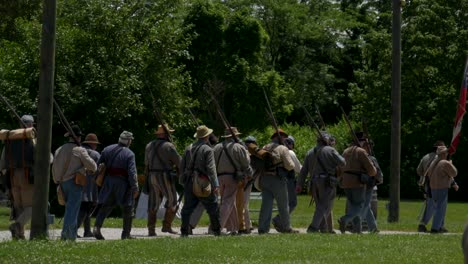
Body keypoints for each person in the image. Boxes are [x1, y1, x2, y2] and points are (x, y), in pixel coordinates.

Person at [52, 125, 97, 241]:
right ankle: (68, 236)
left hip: (61, 183)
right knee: (72, 210)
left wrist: (57, 181)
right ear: (78, 137)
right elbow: (93, 166)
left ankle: (67, 235)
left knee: (69, 209)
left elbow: (54, 168)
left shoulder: (59, 149)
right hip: (74, 183)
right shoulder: (80, 150)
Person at [93, 131, 139, 240]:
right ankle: (126, 234)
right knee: (128, 208)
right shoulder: (130, 154)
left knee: (105, 207)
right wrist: (135, 187)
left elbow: (98, 165)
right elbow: (132, 173)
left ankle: (96, 227)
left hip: (108, 182)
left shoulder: (107, 149)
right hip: (122, 183)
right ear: (128, 141)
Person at [296, 132, 345, 233]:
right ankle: (313, 227)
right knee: (325, 206)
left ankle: (323, 229)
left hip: (313, 182)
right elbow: (343, 162)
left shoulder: (310, 152)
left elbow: (303, 171)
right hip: (327, 181)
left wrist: (299, 184)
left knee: (320, 206)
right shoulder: (330, 150)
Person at [179, 125, 221, 237]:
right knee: (213, 207)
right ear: (207, 136)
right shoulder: (208, 149)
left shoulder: (188, 148)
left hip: (189, 181)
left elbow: (181, 166)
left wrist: (183, 181)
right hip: (203, 182)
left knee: (187, 208)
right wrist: (215, 184)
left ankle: (184, 231)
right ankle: (216, 230)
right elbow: (211, 168)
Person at [0, 115, 36, 239]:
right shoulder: (31, 139)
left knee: (19, 206)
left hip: (12, 176)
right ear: (30, 125)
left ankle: (19, 235)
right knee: (33, 206)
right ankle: (17, 225)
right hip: (27, 176)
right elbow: (44, 157)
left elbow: (3, 161)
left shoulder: (10, 139)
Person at [213, 127, 252, 235]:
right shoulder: (238, 147)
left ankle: (233, 228)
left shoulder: (216, 147)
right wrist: (250, 174)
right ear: (235, 136)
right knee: (228, 202)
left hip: (219, 177)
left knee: (230, 203)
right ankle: (217, 226)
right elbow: (245, 164)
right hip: (233, 177)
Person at [258, 129, 297, 234]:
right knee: (283, 205)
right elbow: (289, 166)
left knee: (266, 205)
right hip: (277, 179)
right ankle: (286, 227)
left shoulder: (265, 147)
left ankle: (262, 228)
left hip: (265, 179)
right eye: (284, 137)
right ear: (280, 137)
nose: (285, 139)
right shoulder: (282, 148)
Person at [144, 125, 181, 236]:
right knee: (172, 201)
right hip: (165, 176)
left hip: (152, 175)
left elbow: (146, 163)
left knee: (153, 203)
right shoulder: (169, 146)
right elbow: (179, 161)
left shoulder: (149, 145)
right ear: (165, 134)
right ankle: (166, 226)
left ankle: (151, 230)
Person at [337, 134, 377, 234]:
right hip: (357, 182)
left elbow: (340, 167)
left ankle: (357, 230)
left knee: (353, 205)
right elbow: (371, 169)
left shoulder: (345, 151)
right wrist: (374, 172)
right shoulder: (361, 151)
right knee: (360, 205)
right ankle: (344, 219)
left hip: (345, 182)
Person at [416, 140, 455, 232]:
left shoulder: (425, 157)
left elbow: (419, 170)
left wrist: (423, 179)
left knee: (430, 205)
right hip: (439, 185)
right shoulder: (441, 159)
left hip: (427, 184)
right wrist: (453, 183)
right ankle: (438, 226)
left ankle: (425, 224)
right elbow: (449, 173)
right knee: (440, 206)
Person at [272, 135, 301, 231]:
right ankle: (279, 219)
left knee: (285, 204)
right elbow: (298, 168)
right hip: (288, 180)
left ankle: (283, 225)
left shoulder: (278, 150)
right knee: (292, 202)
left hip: (278, 180)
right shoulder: (290, 152)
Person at [426, 145, 458, 233]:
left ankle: (440, 227)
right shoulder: (444, 163)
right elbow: (455, 173)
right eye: (446, 152)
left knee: (437, 207)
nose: (448, 153)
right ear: (443, 153)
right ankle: (435, 228)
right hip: (442, 188)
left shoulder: (434, 162)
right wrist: (450, 164)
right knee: (440, 209)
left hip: (433, 188)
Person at [76, 133, 101, 238]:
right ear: (92, 144)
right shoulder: (95, 154)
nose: (96, 146)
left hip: (77, 182)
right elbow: (98, 170)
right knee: (86, 208)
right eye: (95, 144)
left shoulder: (77, 151)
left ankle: (87, 231)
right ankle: (74, 229)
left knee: (85, 208)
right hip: (90, 185)